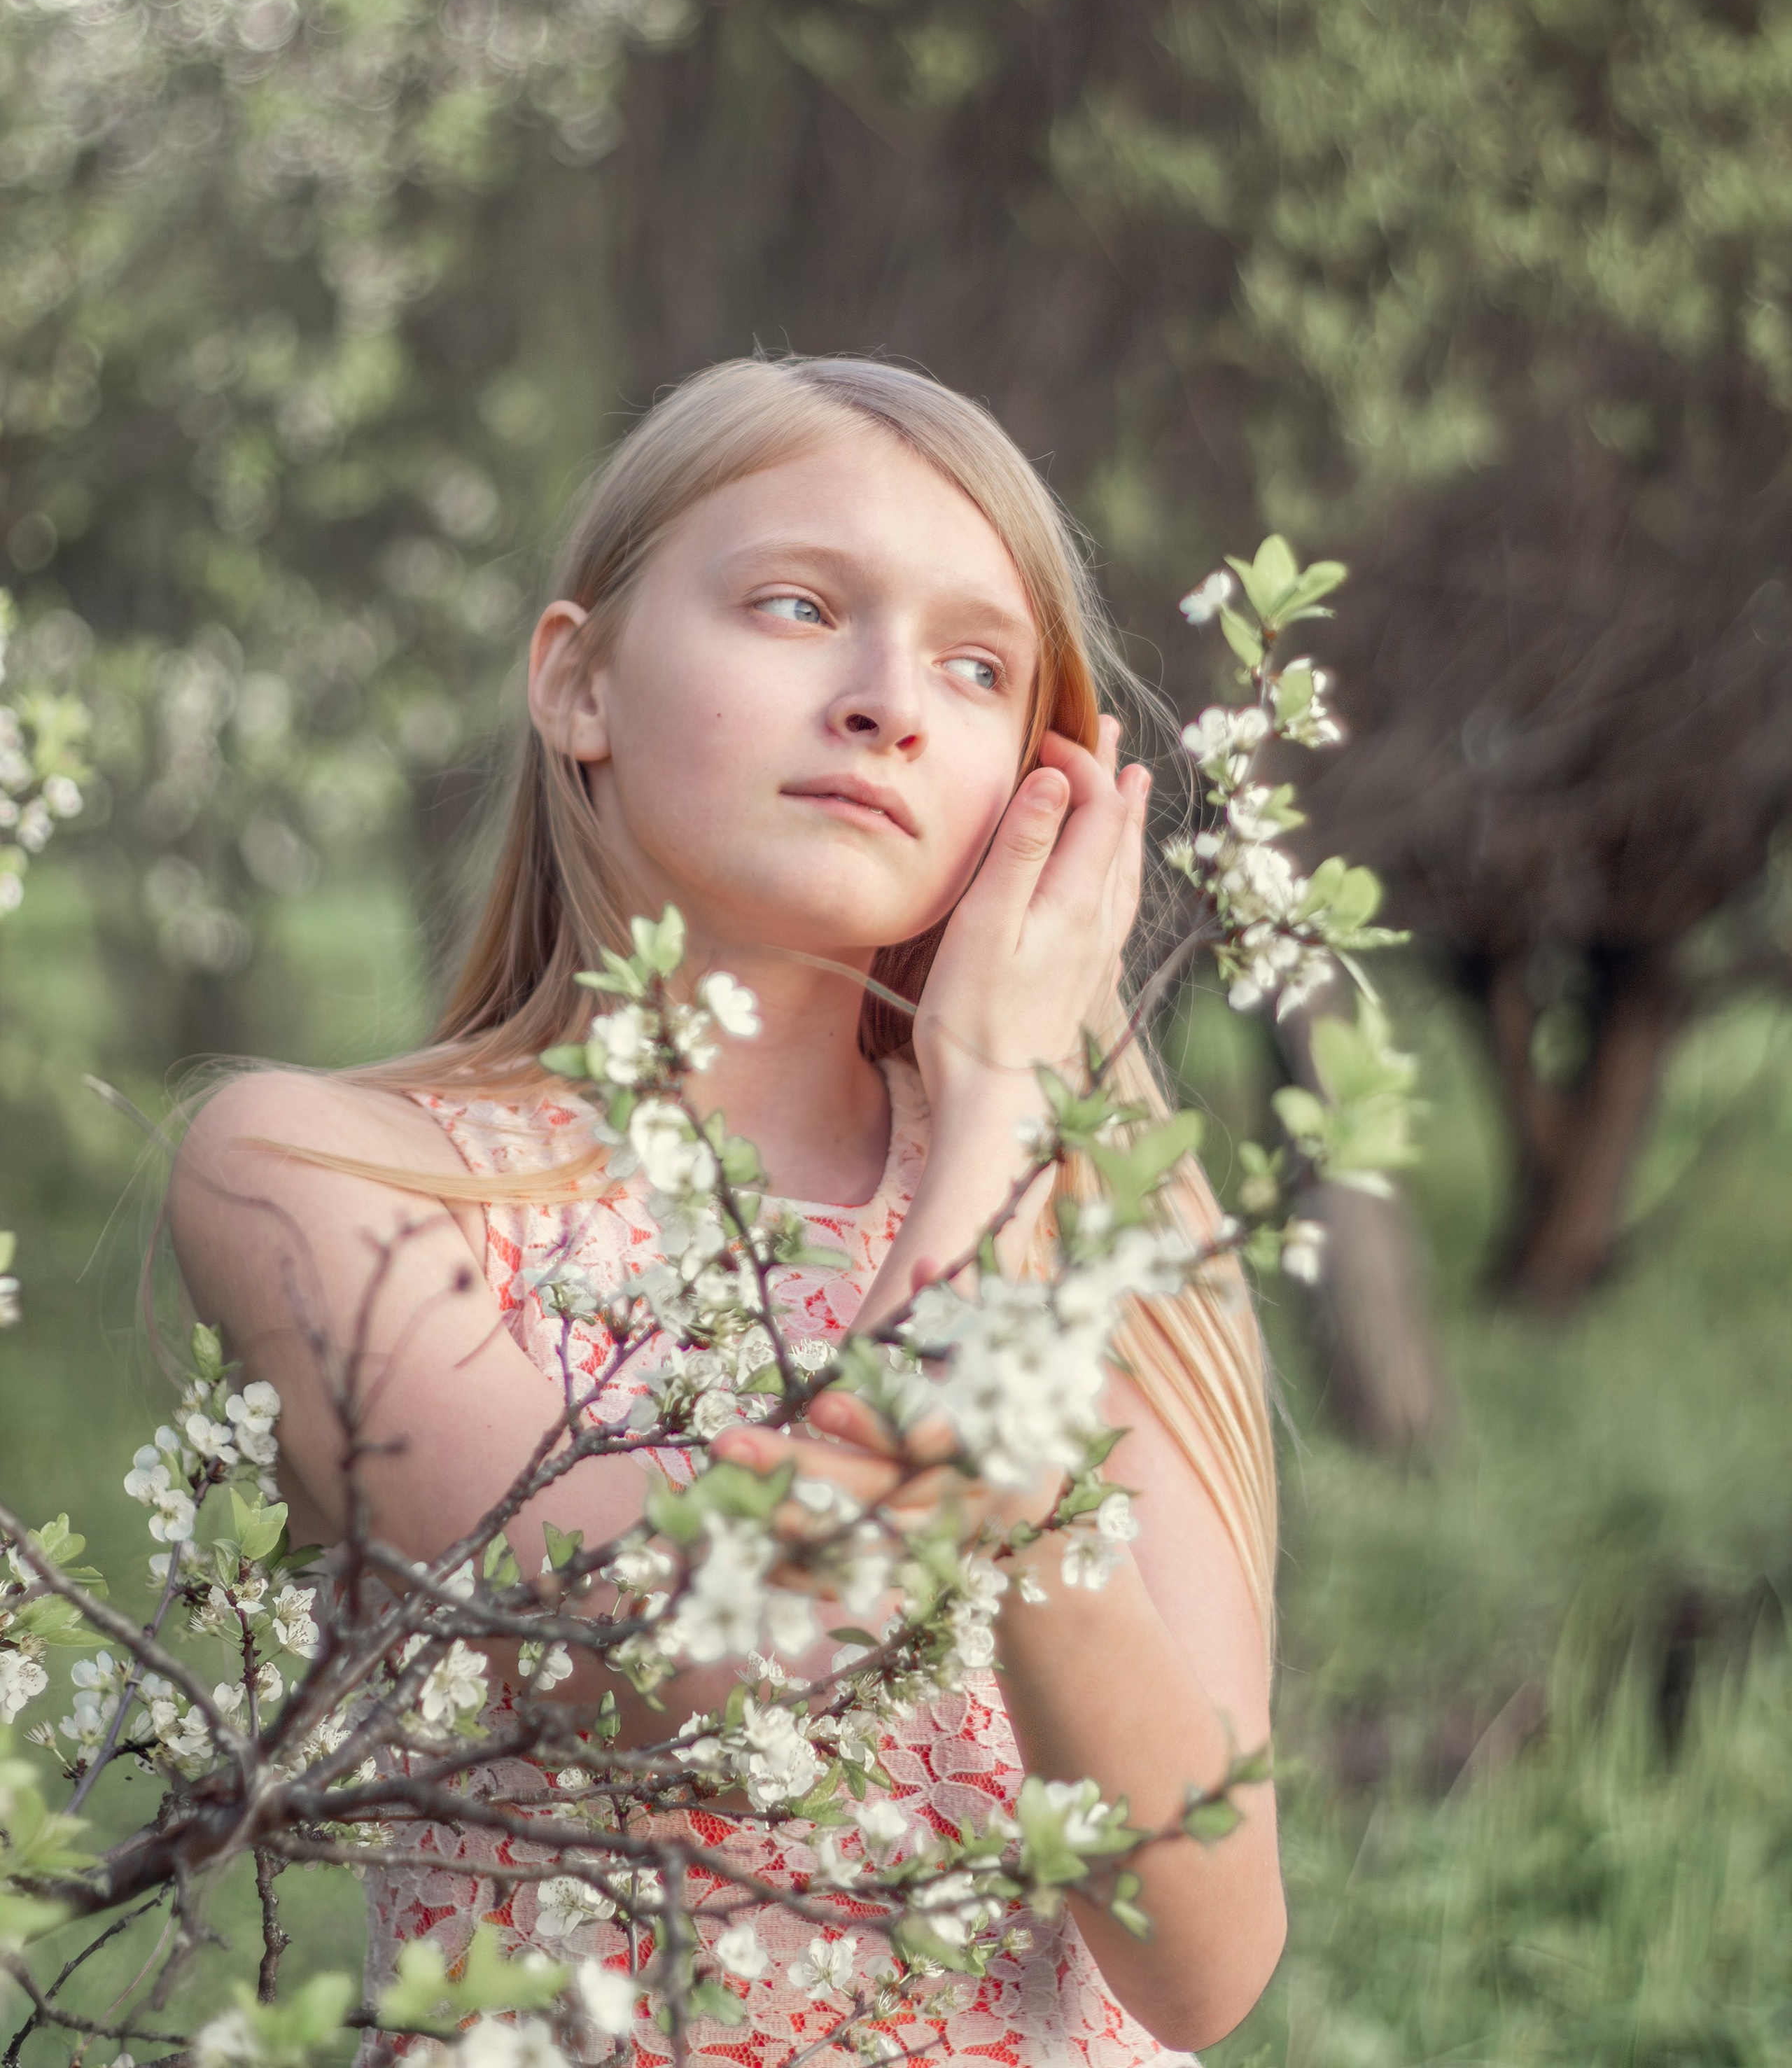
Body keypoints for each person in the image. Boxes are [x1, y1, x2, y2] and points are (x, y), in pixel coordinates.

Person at [170, 356, 1285, 2064]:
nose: (887, 701)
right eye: (794, 605)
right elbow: (669, 1668)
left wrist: (995, 1120)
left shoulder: (1116, 1231)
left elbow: (1198, 1961)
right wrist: (992, 1131)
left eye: (975, 667)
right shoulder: (329, 1177)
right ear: (579, 683)